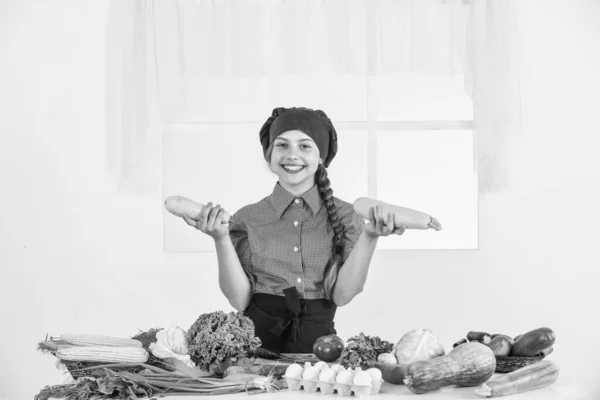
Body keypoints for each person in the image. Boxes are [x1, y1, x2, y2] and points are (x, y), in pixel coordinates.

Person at [182, 107, 406, 353]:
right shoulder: (247, 218)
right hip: (254, 358)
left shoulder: (348, 216)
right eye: (282, 145)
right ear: (269, 156)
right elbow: (240, 300)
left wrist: (370, 236)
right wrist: (220, 238)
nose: (292, 155)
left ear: (321, 156)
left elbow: (342, 296)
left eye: (305, 146)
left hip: (323, 358)